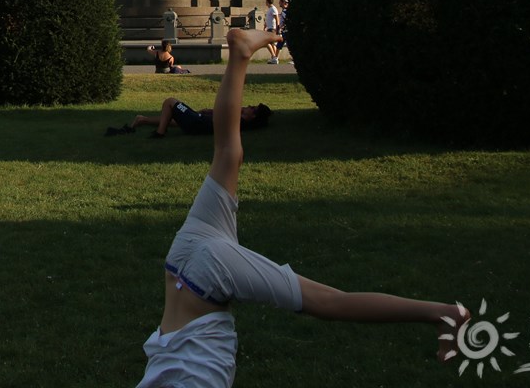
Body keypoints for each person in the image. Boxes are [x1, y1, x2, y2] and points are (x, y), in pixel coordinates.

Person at [134, 27, 468, 387]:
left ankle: (443, 313)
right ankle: (241, 55)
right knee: (228, 154)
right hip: (192, 258)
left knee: (330, 301)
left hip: (193, 261)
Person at [107, 99, 272, 138]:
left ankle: (160, 133)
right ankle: (142, 120)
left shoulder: (238, 120)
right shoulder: (239, 120)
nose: (249, 107)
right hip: (197, 120)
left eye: (253, 109)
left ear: (253, 117)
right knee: (174, 116)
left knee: (171, 102)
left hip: (196, 122)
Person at [262, 0, 280, 64]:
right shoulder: (270, 9)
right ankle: (275, 58)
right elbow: (268, 20)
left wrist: (277, 28)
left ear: (267, 1)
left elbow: (277, 18)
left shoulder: (273, 9)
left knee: (267, 42)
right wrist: (264, 27)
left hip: (272, 28)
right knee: (272, 44)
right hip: (269, 28)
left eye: (266, 1)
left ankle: (273, 56)